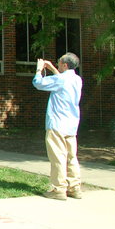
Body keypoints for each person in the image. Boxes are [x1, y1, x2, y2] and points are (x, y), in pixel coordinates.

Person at [33, 53, 83, 200]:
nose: (58, 64)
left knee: (58, 157)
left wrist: (39, 69)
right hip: (71, 125)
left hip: (57, 124)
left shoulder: (60, 79)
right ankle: (74, 188)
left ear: (65, 65)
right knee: (71, 157)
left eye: (59, 62)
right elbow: (61, 80)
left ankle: (58, 189)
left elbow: (38, 83)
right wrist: (53, 69)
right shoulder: (77, 80)